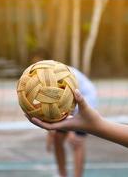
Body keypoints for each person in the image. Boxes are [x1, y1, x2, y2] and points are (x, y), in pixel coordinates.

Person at [29, 48, 98, 177]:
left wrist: (71, 130)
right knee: (57, 138)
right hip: (70, 103)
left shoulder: (60, 75)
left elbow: (69, 102)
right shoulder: (41, 79)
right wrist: (51, 133)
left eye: (38, 63)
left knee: (76, 141)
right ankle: (63, 174)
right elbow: (52, 105)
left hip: (85, 101)